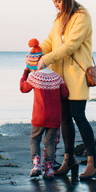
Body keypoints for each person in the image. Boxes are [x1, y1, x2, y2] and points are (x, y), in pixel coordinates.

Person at [36, 0, 96, 180]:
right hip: (61, 77)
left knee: (78, 115)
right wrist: (36, 52)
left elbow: (72, 45)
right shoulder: (59, 18)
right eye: (53, 2)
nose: (56, 5)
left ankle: (94, 161)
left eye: (58, 1)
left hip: (77, 75)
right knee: (64, 117)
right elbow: (50, 41)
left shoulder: (82, 15)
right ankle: (69, 159)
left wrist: (46, 59)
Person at [20, 38, 68, 179]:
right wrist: (63, 83)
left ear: (32, 64)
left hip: (39, 116)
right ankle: (48, 169)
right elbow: (65, 95)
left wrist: (25, 73)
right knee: (50, 142)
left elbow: (23, 88)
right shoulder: (56, 77)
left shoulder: (34, 77)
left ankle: (36, 165)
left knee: (35, 139)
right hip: (54, 117)